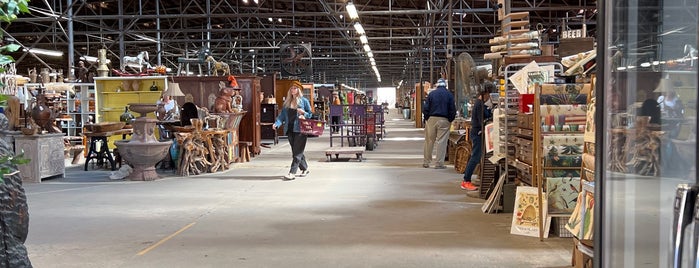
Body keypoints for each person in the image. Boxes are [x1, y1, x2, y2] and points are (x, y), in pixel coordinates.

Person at [273, 81, 313, 180]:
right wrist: (277, 123)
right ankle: (305, 168)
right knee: (296, 151)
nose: (292, 90)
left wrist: (304, 113)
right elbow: (282, 116)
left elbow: (310, 114)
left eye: (295, 88)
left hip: (300, 129)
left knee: (297, 152)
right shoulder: (287, 102)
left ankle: (292, 172)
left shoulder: (304, 101)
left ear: (299, 90)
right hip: (289, 129)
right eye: (291, 88)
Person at [461, 82, 494, 191]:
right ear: (485, 93)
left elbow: (486, 115)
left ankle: (468, 179)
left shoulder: (480, 104)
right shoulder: (479, 105)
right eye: (489, 95)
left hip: (477, 133)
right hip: (477, 133)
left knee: (476, 156)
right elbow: (482, 121)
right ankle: (466, 180)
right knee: (475, 157)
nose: (489, 97)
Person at [422, 78, 456, 169]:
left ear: (437, 85)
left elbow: (426, 108)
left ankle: (426, 162)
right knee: (442, 141)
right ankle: (439, 163)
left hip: (432, 118)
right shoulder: (449, 95)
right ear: (445, 85)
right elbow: (452, 109)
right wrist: (450, 119)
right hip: (444, 119)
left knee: (429, 141)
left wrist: (427, 118)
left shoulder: (431, 94)